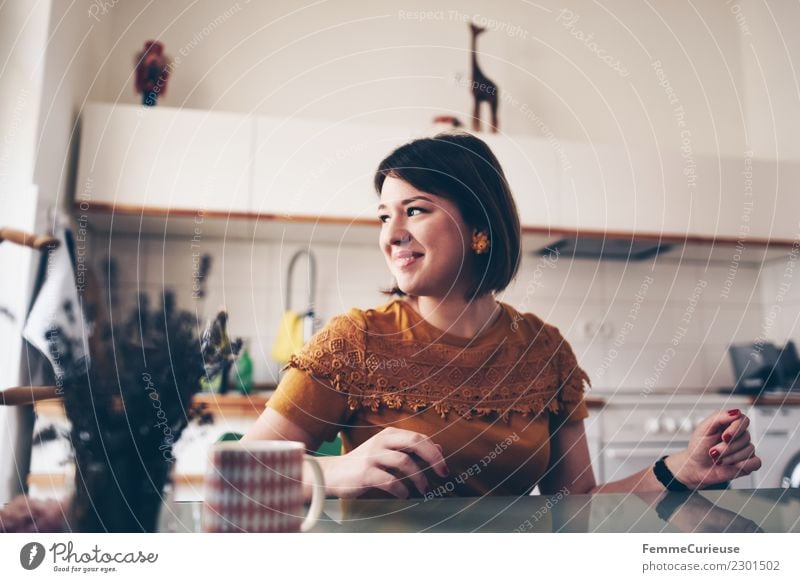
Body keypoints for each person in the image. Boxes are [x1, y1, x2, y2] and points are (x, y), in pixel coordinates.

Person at [244, 132, 761, 500]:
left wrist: (683, 470)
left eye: (415, 209)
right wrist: (332, 473)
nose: (391, 232)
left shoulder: (543, 351)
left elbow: (577, 500)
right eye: (384, 215)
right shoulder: (355, 341)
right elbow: (235, 473)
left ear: (478, 227)